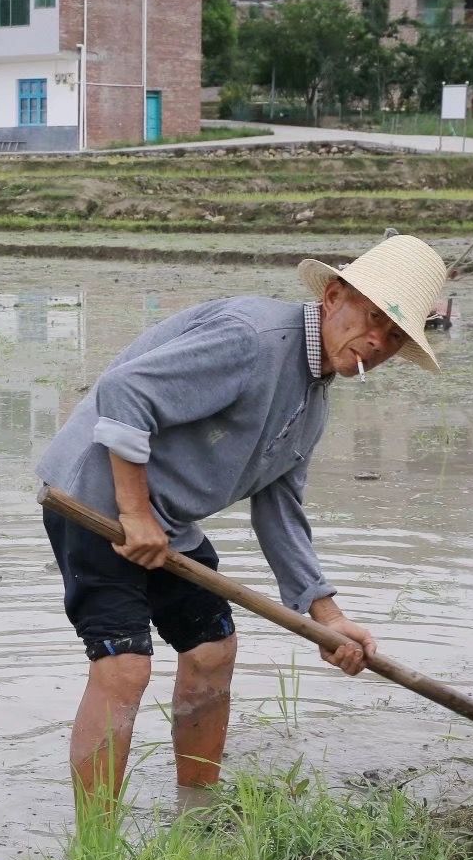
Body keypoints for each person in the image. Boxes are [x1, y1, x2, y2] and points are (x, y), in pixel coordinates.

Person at [35, 233, 449, 815]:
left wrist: (330, 619)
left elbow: (280, 509)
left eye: (392, 337)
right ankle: (96, 854)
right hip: (96, 500)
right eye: (373, 317)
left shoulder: (313, 400)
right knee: (125, 666)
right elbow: (124, 392)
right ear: (333, 298)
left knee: (212, 650)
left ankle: (197, 812)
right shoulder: (254, 340)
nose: (375, 341)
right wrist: (132, 513)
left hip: (165, 517)